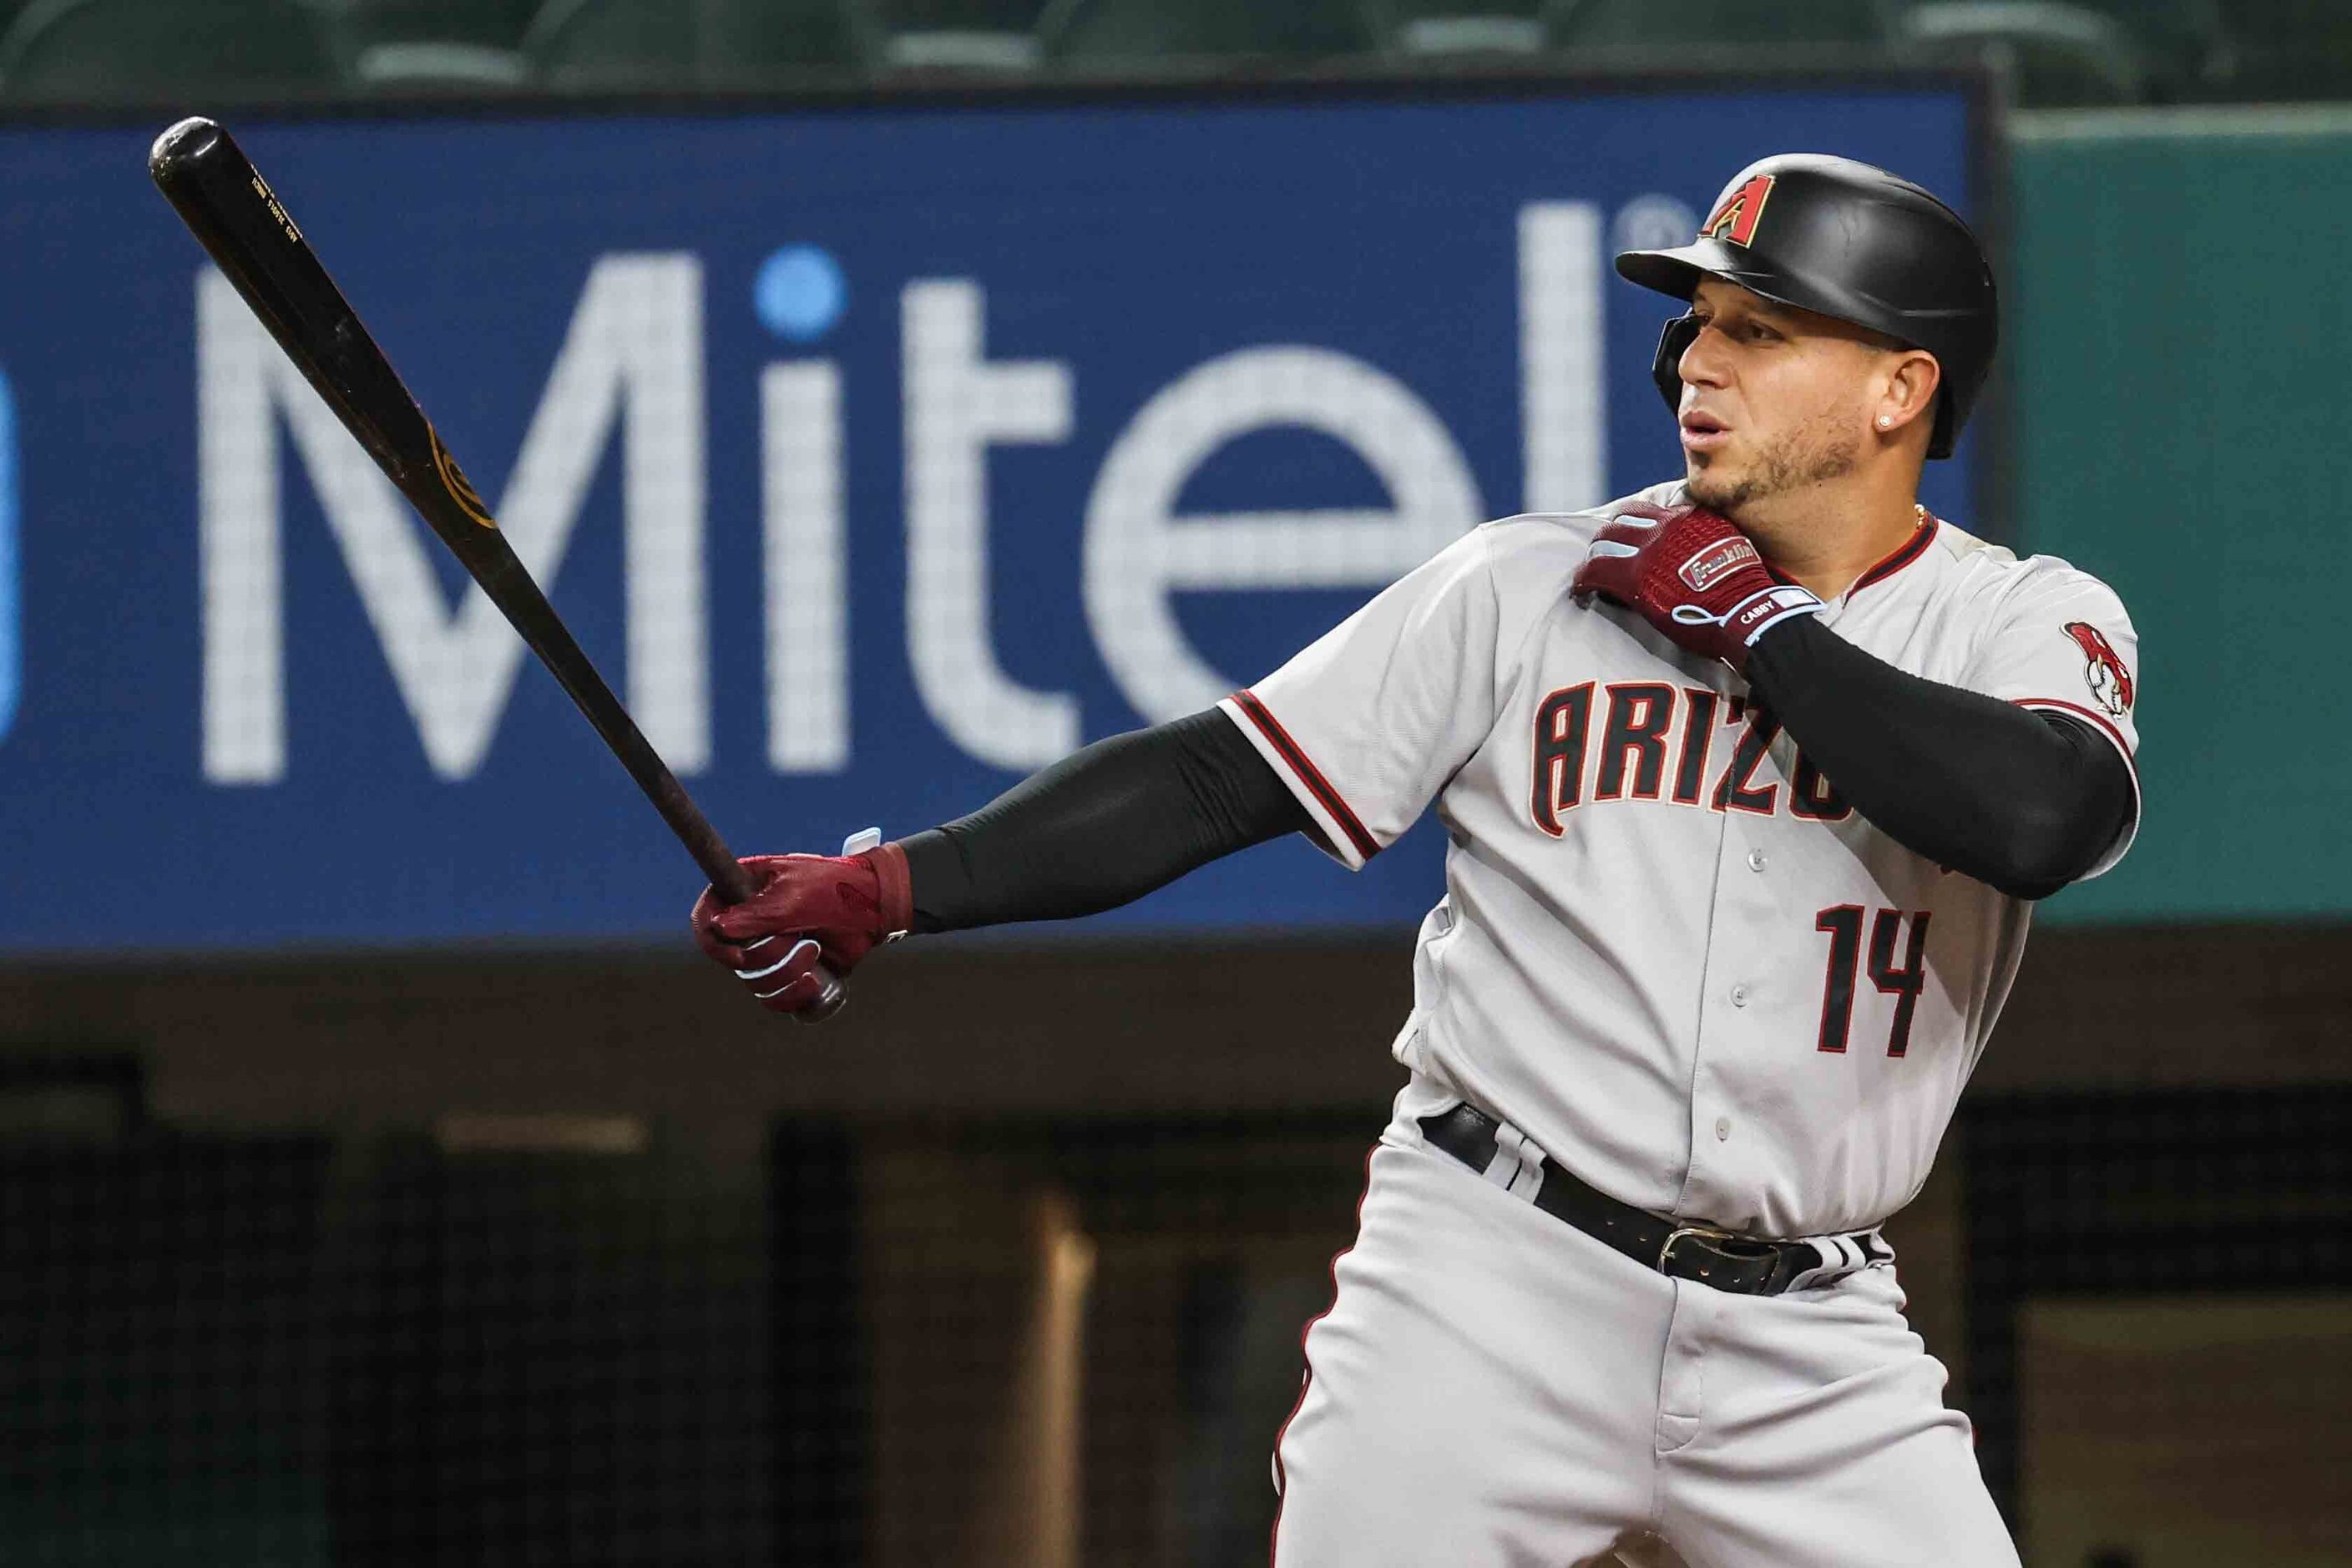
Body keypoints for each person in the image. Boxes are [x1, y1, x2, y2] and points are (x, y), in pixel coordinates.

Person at [691, 154, 2139, 1566]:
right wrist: (890, 889)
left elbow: (2040, 819)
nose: (1700, 359)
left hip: (1811, 1332)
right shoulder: (1532, 583)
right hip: (1491, 1275)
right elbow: (1210, 776)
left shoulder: (2015, 620)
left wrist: (1761, 629)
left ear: (1901, 386)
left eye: (1758, 330)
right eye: (1696, 321)